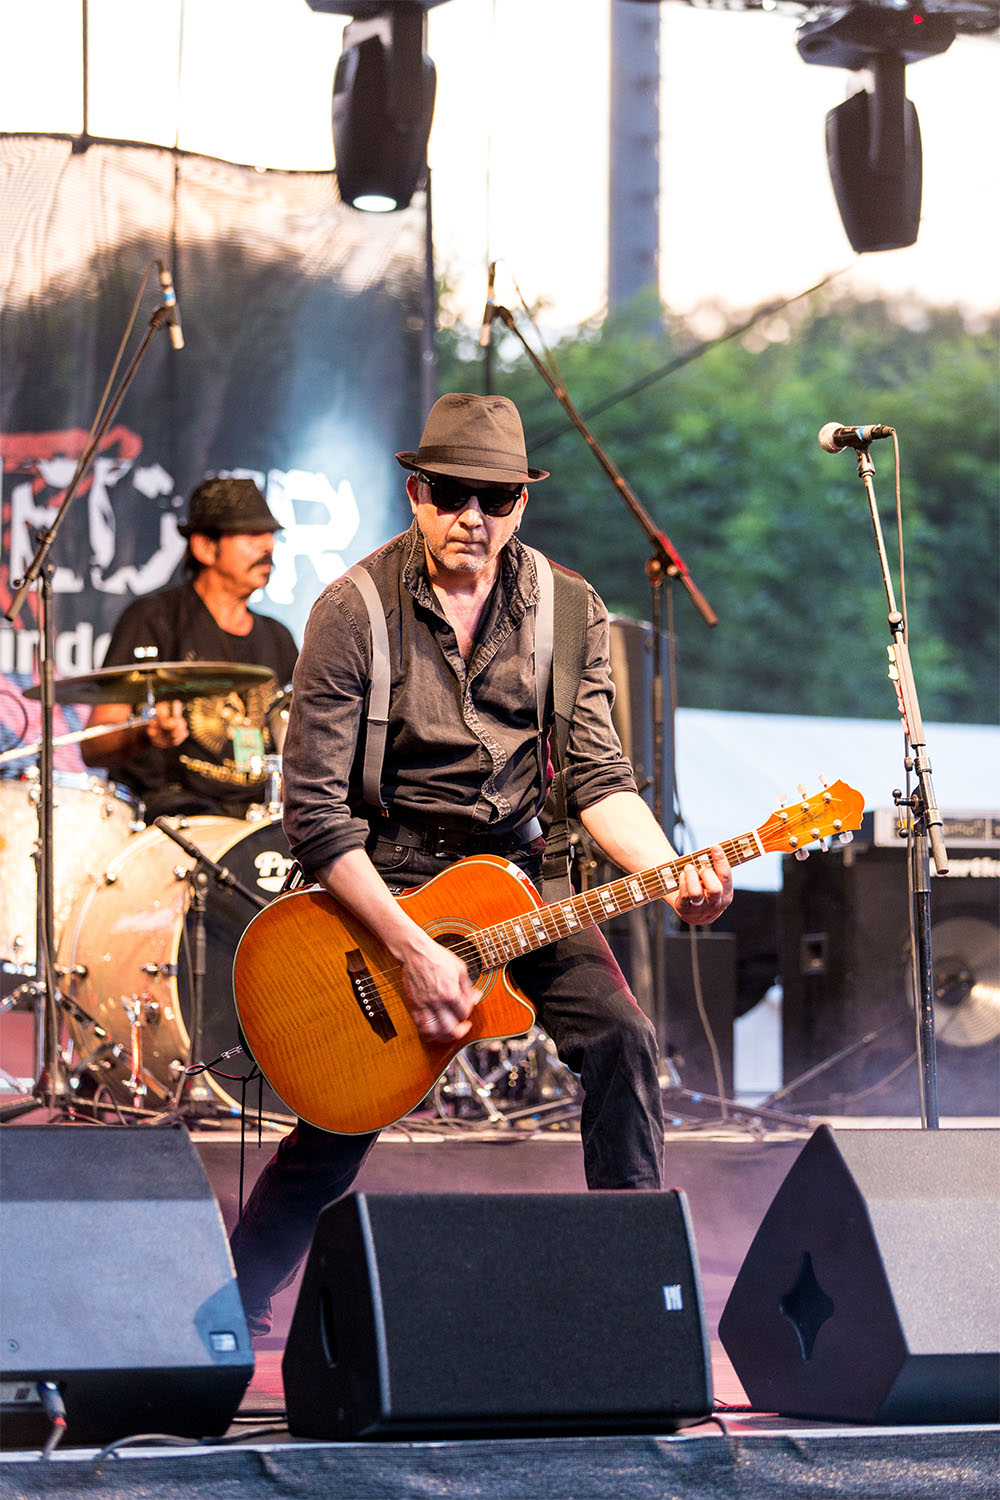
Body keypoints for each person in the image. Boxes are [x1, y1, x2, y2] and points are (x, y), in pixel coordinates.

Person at [229, 393, 733, 1336]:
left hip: (512, 872)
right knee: (345, 1108)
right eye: (453, 494)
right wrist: (411, 948)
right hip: (384, 870)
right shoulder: (350, 610)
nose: (474, 517)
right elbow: (315, 817)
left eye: (496, 499)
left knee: (623, 1041)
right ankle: (238, 1291)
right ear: (417, 494)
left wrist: (671, 871)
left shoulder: (571, 609)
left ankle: (634, 1303)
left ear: (521, 504)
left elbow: (600, 779)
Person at [83, 477, 297, 821]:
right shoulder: (154, 619)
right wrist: (147, 734)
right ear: (204, 547)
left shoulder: (279, 638)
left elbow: (295, 749)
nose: (267, 545)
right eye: (250, 534)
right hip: (172, 821)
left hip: (255, 826)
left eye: (269, 533)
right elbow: (93, 746)